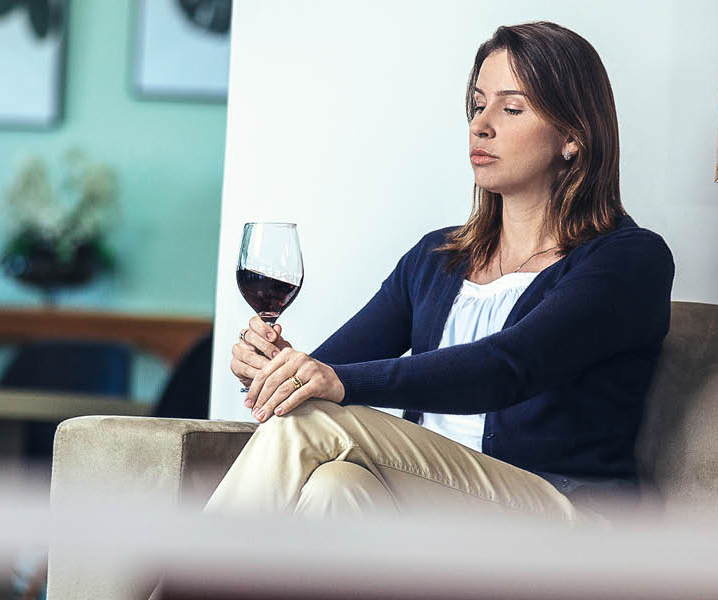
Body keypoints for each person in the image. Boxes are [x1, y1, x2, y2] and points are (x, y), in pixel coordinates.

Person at [210, 21, 674, 522]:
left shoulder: (628, 260)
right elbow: (333, 366)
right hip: (440, 503)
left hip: (563, 513)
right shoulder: (437, 257)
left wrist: (327, 381)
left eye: (511, 108)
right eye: (478, 105)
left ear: (573, 137)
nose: (482, 124)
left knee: (311, 424)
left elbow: (507, 368)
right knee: (332, 486)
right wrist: (278, 367)